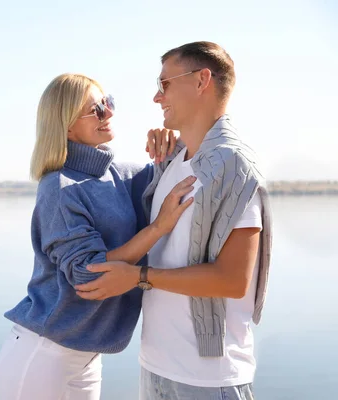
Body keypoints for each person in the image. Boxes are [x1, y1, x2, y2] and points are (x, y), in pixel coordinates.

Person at [76, 41, 272, 400]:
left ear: (202, 81)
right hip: (155, 368)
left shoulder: (233, 167)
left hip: (209, 379)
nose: (155, 97)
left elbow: (232, 279)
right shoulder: (172, 163)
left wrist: (138, 277)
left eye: (164, 84)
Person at [0, 72, 195, 400]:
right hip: (44, 355)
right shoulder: (59, 189)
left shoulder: (121, 175)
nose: (109, 113)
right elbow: (88, 275)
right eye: (96, 110)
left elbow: (181, 163)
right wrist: (158, 228)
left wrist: (171, 138)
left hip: (86, 356)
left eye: (108, 103)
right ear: (67, 125)